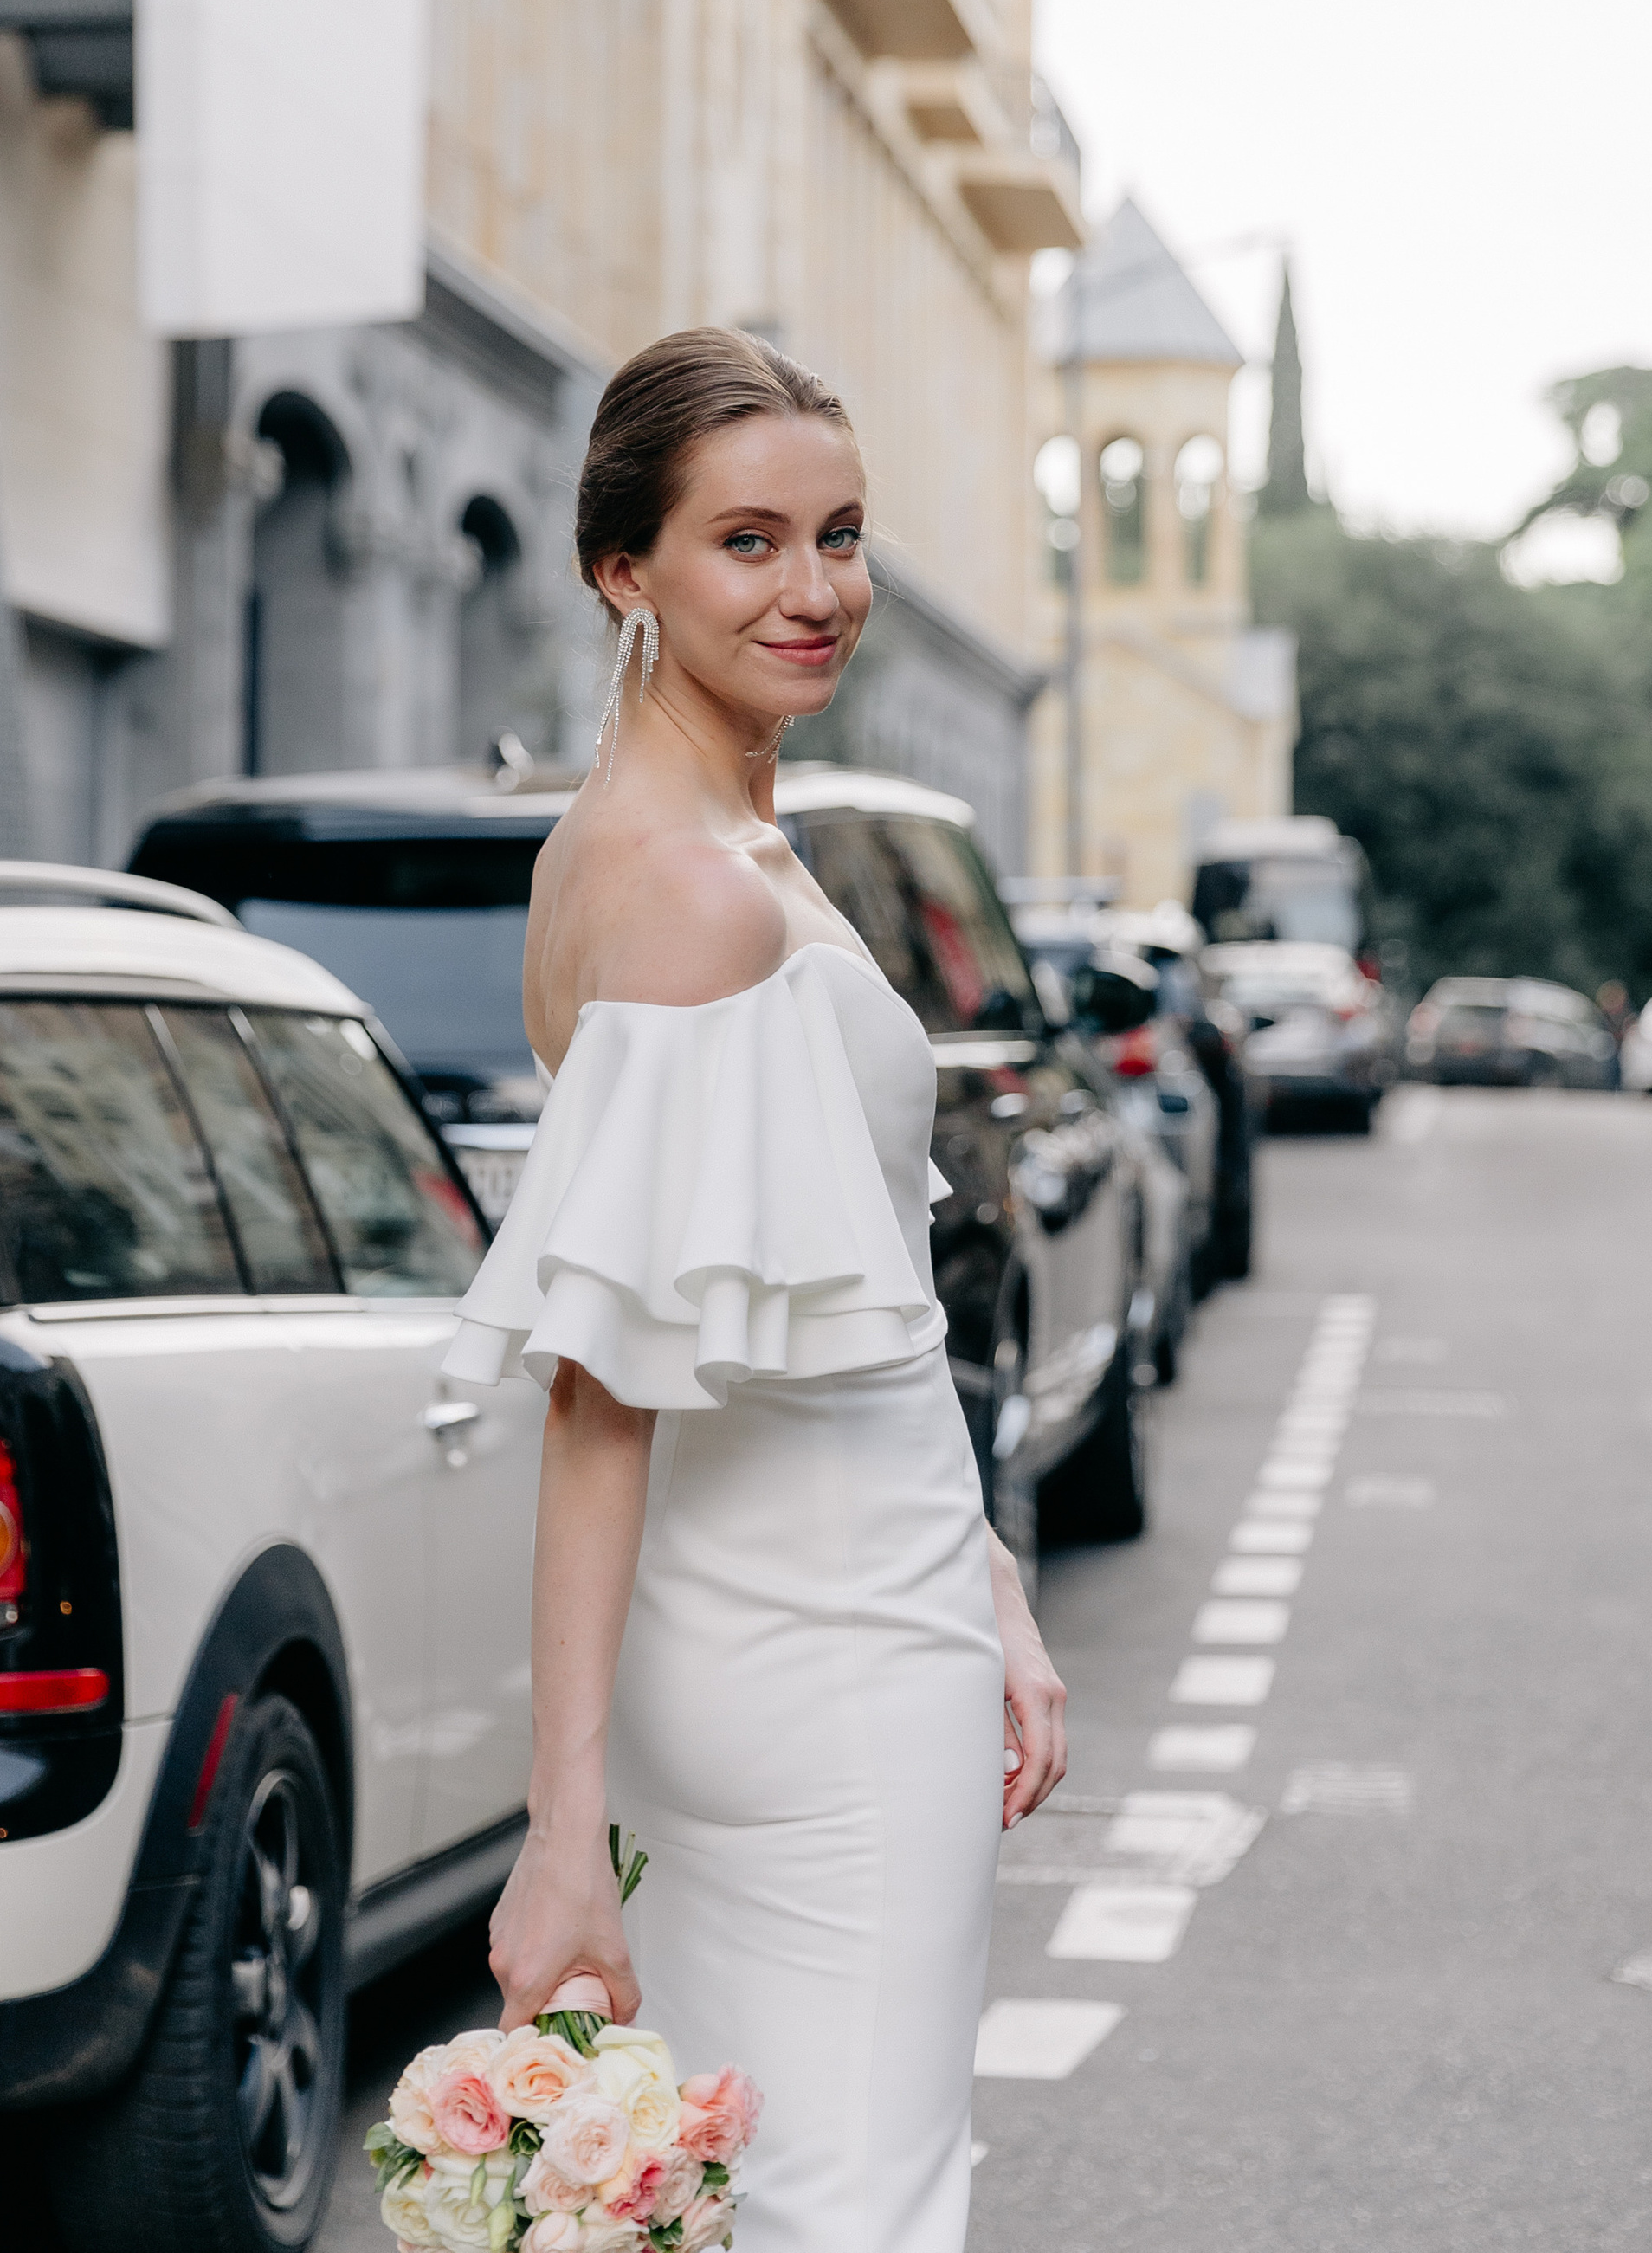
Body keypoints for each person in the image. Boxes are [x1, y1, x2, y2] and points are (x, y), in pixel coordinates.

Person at [440, 328, 1067, 2253]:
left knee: (751, 2196)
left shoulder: (655, 851)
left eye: (842, 534)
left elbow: (841, 1300)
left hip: (780, 1634)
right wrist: (558, 1835)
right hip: (825, 1665)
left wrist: (993, 1583)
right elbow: (600, 1384)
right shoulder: (696, 892)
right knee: (855, 2207)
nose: (816, 591)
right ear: (620, 570)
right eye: (747, 543)